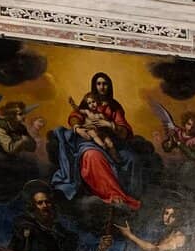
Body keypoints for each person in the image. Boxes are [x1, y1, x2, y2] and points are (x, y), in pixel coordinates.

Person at [50, 75, 142, 209]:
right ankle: (111, 194)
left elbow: (123, 128)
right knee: (93, 156)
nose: (102, 87)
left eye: (105, 84)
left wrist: (109, 124)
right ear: (95, 85)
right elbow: (75, 115)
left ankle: (133, 195)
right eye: (99, 84)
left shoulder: (114, 106)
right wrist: (77, 128)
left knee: (132, 158)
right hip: (88, 141)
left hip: (111, 141)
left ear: (109, 86)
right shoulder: (89, 101)